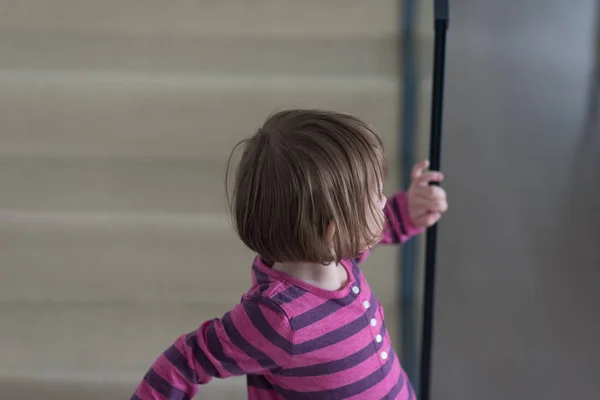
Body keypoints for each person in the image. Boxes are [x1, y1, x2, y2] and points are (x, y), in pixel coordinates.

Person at [131, 109, 448, 399]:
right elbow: (188, 359)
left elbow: (363, 236)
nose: (383, 201)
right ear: (331, 230)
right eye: (375, 197)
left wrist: (406, 211)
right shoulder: (279, 319)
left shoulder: (336, 259)